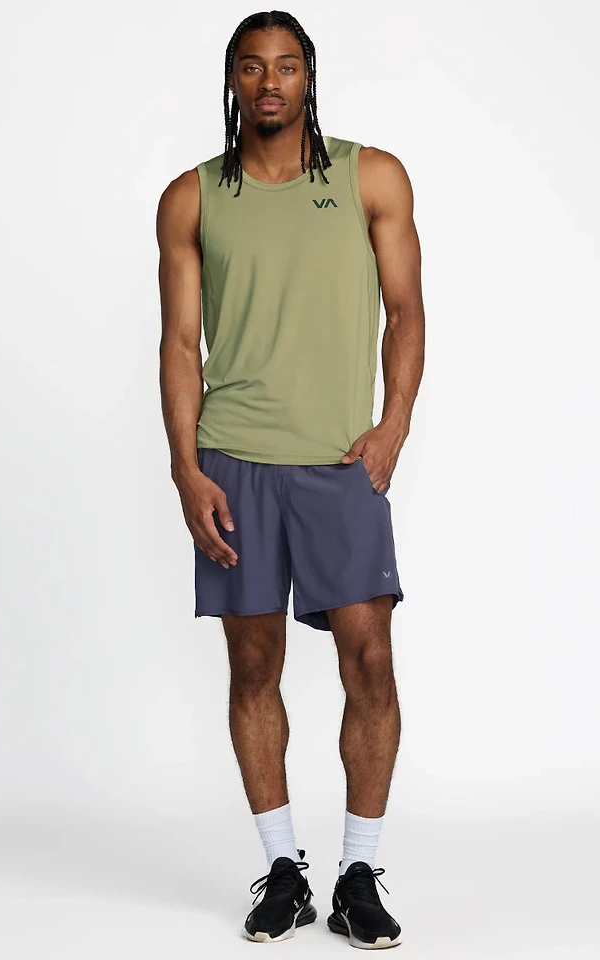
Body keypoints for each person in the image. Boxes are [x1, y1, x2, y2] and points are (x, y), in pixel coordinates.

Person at [157, 9, 424, 949]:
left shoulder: (371, 177)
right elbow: (179, 344)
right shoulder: (192, 197)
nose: (269, 81)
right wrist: (186, 470)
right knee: (253, 665)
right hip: (233, 461)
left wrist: (393, 426)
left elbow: (406, 311)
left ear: (309, 76)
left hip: (340, 462)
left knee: (371, 660)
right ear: (232, 81)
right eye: (251, 66)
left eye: (286, 65)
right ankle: (284, 869)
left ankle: (358, 872)